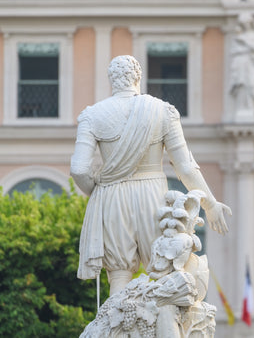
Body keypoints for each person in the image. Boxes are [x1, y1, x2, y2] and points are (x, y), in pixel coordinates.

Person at [71, 55, 231, 295]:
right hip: (152, 195)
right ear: (138, 77)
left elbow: (79, 169)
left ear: (111, 80)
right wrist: (210, 204)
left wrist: (97, 192)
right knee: (164, 271)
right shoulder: (163, 111)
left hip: (112, 196)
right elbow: (185, 166)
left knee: (119, 273)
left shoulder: (91, 116)